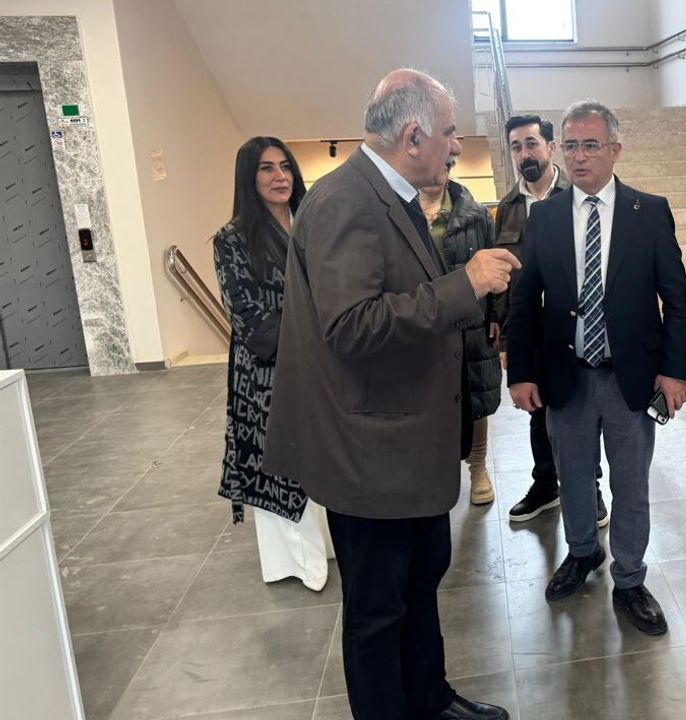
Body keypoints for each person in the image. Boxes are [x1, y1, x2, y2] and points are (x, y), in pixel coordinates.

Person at [263, 69, 515, 720]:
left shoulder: (392, 194)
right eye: (450, 133)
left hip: (405, 444)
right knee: (377, 609)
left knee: (420, 579)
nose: (456, 146)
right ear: (412, 136)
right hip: (368, 453)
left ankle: (429, 699)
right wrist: (464, 285)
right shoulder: (346, 202)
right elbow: (351, 325)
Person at [506, 100, 686, 635]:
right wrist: (521, 373)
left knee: (631, 486)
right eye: (571, 145)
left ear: (615, 149)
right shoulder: (544, 217)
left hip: (629, 377)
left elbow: (676, 299)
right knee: (572, 477)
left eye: (591, 145)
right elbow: (524, 301)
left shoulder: (648, 212)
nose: (580, 156)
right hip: (566, 377)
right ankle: (583, 551)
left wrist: (675, 372)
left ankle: (630, 578)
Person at [213, 136, 332, 592]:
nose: (280, 176)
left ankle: (327, 546)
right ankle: (298, 562)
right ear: (249, 177)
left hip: (324, 366)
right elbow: (249, 318)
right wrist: (314, 328)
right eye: (267, 168)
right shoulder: (232, 240)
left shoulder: (313, 223)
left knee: (323, 458)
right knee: (281, 466)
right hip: (268, 375)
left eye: (285, 166)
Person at [493, 114, 607, 526]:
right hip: (529, 331)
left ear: (551, 147)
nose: (524, 153)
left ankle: (590, 490)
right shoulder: (507, 208)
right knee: (537, 411)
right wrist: (506, 340)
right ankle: (545, 485)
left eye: (531, 144)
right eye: (516, 147)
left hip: (573, 328)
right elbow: (503, 278)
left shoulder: (578, 196)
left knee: (581, 411)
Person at [419, 169, 502, 506]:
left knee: (476, 393)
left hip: (472, 321)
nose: (435, 171)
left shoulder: (475, 213)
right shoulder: (400, 212)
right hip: (424, 321)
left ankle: (478, 467)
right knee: (430, 397)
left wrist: (494, 314)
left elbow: (494, 263)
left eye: (443, 164)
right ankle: (437, 469)